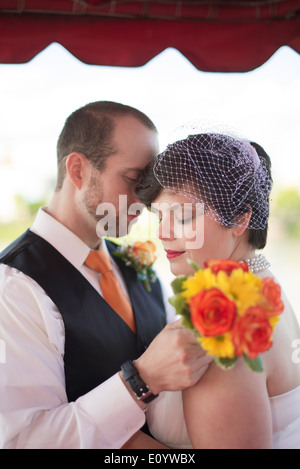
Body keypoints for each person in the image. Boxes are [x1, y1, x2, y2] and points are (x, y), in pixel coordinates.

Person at [0, 102, 212, 449]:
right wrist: (141, 380)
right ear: (79, 170)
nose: (147, 199)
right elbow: (24, 441)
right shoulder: (13, 287)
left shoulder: (134, 262)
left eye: (150, 183)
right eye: (133, 179)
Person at [130, 132, 300, 449]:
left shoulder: (223, 325)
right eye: (160, 216)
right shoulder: (264, 285)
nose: (162, 234)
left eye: (181, 216)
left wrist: (117, 440)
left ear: (240, 218)